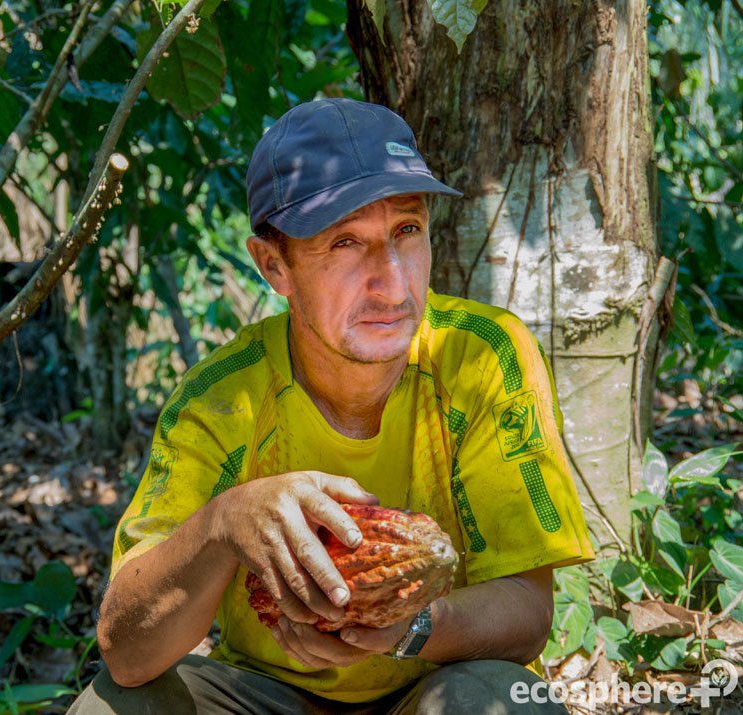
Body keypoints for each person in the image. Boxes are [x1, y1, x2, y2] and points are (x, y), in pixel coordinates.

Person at [68, 98, 595, 714]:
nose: (393, 285)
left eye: (407, 231)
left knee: (500, 701)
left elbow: (528, 614)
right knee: (113, 707)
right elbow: (128, 654)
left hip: (432, 684)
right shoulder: (222, 399)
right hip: (263, 696)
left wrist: (407, 627)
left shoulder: (480, 357)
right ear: (274, 266)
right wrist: (222, 526)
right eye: (345, 243)